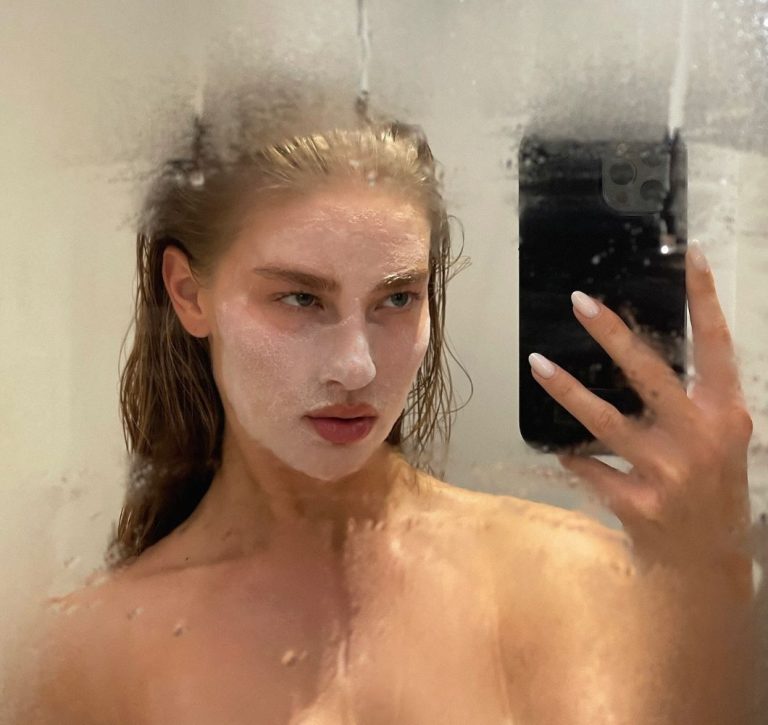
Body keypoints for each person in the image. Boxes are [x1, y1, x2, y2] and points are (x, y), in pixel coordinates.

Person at [11, 110, 757, 724]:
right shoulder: (92, 655)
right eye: (300, 298)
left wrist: (715, 581)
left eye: (397, 298)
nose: (357, 367)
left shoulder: (565, 579)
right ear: (188, 292)